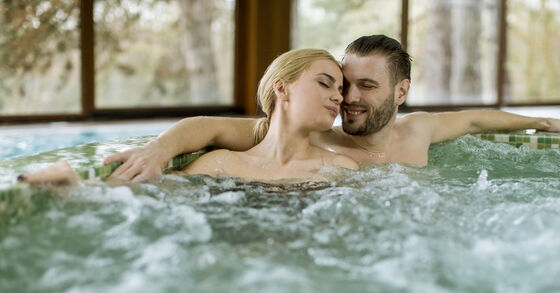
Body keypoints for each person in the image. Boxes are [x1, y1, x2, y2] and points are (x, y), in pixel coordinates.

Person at [103, 34, 560, 182]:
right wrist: (159, 151)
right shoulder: (317, 137)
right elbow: (208, 128)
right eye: (340, 84)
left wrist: (543, 120)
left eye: (364, 86)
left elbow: (479, 119)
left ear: (401, 93)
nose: (348, 99)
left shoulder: (420, 131)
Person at [19, 49, 358, 185]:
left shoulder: (340, 169)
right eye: (325, 83)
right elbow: (151, 202)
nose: (337, 96)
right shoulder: (222, 164)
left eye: (340, 89)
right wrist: (79, 187)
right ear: (282, 89)